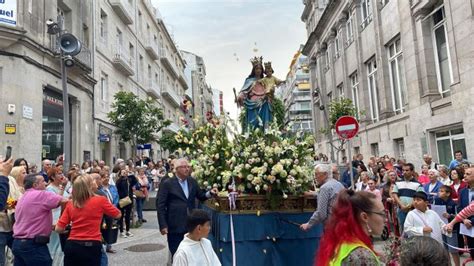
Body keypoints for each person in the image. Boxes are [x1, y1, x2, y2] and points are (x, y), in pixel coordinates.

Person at [55, 174, 121, 266]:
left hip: (73, 244)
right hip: (92, 243)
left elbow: (58, 228)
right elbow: (118, 214)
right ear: (89, 186)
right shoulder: (100, 200)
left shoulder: (71, 203)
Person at [157, 158, 218, 256]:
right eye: (184, 167)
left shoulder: (192, 181)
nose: (187, 169)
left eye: (188, 167)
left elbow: (201, 196)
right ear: (177, 169)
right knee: (177, 253)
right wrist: (163, 224)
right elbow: (160, 205)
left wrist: (210, 193)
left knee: (191, 253)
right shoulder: (167, 183)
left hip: (191, 224)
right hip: (175, 225)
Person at [12, 174, 68, 266]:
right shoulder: (41, 194)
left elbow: (32, 219)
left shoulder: (23, 197)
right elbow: (64, 201)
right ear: (35, 185)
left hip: (18, 243)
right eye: (43, 181)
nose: (46, 183)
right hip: (33, 245)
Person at [316, 190, 383, 265]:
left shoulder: (343, 244)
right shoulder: (362, 256)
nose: (385, 219)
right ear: (364, 217)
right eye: (381, 213)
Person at [300, 164, 345, 231]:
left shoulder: (324, 188)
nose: (315, 177)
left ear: (325, 174)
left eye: (316, 174)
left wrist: (308, 224)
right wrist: (313, 193)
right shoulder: (339, 184)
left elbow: (321, 213)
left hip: (332, 227)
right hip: (343, 224)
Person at [237, 56, 271, 130]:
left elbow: (269, 90)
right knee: (253, 122)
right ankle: (252, 136)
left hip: (264, 102)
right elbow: (244, 91)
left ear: (262, 70)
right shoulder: (249, 80)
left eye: (260, 69)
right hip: (252, 104)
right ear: (254, 70)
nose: (258, 70)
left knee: (264, 120)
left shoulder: (265, 80)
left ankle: (266, 133)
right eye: (256, 69)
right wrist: (240, 96)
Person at [45, 167, 69, 265]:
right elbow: (56, 202)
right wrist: (62, 188)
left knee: (60, 246)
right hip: (54, 218)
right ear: (53, 177)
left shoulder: (61, 187)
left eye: (62, 173)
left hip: (63, 216)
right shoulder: (49, 189)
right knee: (54, 245)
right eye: (59, 174)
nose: (62, 175)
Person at [391, 163, 423, 233]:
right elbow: (394, 194)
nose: (404, 172)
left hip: (413, 210)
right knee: (402, 228)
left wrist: (409, 206)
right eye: (403, 170)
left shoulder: (418, 184)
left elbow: (419, 196)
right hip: (401, 210)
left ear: (412, 171)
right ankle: (404, 243)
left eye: (407, 170)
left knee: (413, 228)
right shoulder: (398, 182)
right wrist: (401, 205)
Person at [433, 185, 459, 266]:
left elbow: (458, 216)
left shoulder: (453, 203)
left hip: (451, 229)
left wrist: (449, 216)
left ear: (448, 194)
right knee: (444, 249)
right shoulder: (436, 200)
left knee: (453, 250)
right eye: (439, 191)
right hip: (441, 228)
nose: (439, 193)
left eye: (441, 191)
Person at [116, 168, 137, 238]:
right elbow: (118, 185)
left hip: (129, 199)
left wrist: (131, 174)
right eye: (123, 172)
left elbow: (135, 181)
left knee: (128, 215)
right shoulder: (119, 181)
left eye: (125, 172)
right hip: (122, 200)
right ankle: (121, 231)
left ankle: (128, 230)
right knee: (121, 216)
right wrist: (121, 177)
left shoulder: (129, 180)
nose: (125, 173)